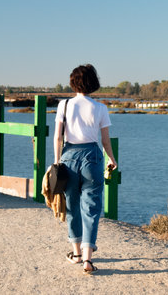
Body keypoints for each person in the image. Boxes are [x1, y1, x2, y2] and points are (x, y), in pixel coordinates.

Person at [54, 64, 117, 274]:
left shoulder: (63, 105)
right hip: (93, 157)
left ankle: (77, 253)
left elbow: (58, 137)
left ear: (73, 82)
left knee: (71, 205)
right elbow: (105, 141)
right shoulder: (100, 108)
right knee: (91, 208)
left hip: (69, 156)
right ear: (93, 83)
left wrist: (56, 162)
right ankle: (88, 260)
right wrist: (112, 159)